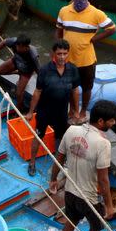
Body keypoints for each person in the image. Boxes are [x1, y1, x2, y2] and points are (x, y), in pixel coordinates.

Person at [49, 99, 116, 231]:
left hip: (70, 191)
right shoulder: (103, 144)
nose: (114, 122)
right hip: (88, 197)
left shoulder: (71, 130)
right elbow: (103, 179)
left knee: (71, 221)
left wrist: (53, 179)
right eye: (111, 120)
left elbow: (59, 158)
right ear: (101, 121)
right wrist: (108, 205)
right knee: (96, 226)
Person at [56, 0, 116, 123]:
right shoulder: (64, 11)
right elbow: (59, 31)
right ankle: (73, 109)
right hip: (68, 60)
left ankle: (83, 111)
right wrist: (57, 51)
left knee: (87, 87)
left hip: (87, 60)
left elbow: (112, 29)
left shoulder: (96, 13)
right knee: (70, 86)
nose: (81, 0)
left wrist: (95, 39)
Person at [26, 40, 80, 177]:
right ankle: (32, 163)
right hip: (44, 111)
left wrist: (76, 111)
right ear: (53, 54)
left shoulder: (72, 70)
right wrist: (31, 112)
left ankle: (58, 161)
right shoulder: (44, 70)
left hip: (62, 112)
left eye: (65, 54)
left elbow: (75, 91)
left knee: (61, 138)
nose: (62, 57)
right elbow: (37, 91)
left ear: (68, 54)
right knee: (38, 136)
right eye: (59, 54)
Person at [0, 34, 40, 112]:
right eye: (17, 46)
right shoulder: (14, 41)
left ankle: (19, 108)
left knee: (19, 93)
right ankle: (17, 72)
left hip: (26, 72)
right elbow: (3, 43)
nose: (17, 48)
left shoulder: (33, 55)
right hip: (15, 61)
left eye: (20, 47)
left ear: (26, 47)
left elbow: (39, 71)